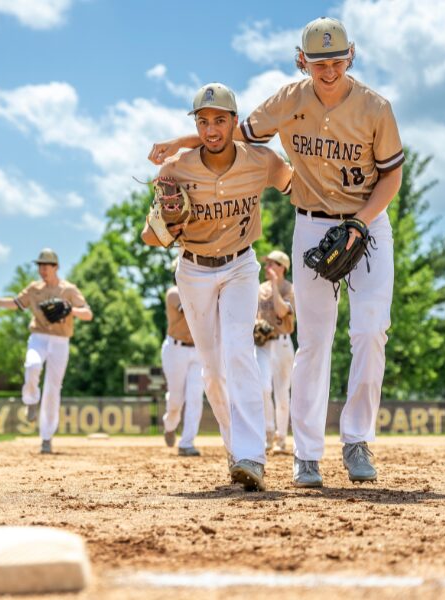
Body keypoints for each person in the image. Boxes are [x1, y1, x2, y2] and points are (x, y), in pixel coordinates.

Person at [148, 17, 404, 487]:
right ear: (301, 59)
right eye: (318, 60)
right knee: (314, 342)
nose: (328, 69)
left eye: (336, 59)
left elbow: (392, 176)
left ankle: (356, 438)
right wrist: (179, 143)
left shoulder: (375, 108)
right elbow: (231, 134)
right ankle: (307, 455)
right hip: (310, 226)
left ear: (351, 56)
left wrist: (360, 223)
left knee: (370, 331)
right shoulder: (289, 100)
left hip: (367, 226)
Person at [142, 82, 293, 491]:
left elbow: (297, 186)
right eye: (203, 121)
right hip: (193, 270)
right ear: (197, 124)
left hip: (241, 265)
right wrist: (168, 226)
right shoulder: (175, 169)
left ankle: (251, 456)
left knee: (239, 351)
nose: (211, 129)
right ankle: (235, 448)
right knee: (212, 371)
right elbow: (149, 237)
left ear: (233, 122)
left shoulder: (260, 160)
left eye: (219, 120)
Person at [0, 248, 93, 454]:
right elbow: (16, 303)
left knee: (53, 389)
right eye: (40, 266)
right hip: (38, 337)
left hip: (61, 340)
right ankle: (30, 400)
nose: (42, 270)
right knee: (32, 365)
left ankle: (46, 437)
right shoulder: (34, 289)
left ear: (56, 267)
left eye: (46, 266)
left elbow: (88, 314)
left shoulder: (68, 290)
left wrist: (72, 309)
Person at [254, 250, 295, 455]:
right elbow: (253, 314)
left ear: (282, 267)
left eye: (271, 263)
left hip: (283, 344)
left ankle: (281, 439)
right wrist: (255, 323)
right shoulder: (260, 289)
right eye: (267, 263)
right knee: (262, 387)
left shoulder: (289, 289)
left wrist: (275, 286)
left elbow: (281, 311)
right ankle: (268, 433)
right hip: (263, 345)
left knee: (281, 394)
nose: (267, 266)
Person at [161, 260, 204, 457]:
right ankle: (170, 424)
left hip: (197, 351)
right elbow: (190, 312)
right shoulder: (173, 293)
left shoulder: (201, 293)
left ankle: (187, 442)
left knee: (195, 397)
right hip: (175, 349)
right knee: (176, 399)